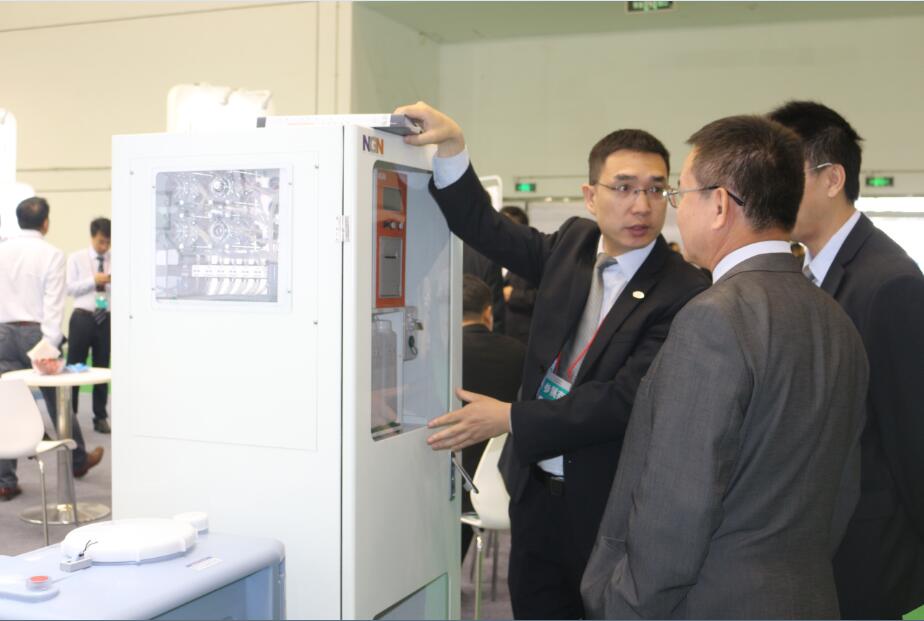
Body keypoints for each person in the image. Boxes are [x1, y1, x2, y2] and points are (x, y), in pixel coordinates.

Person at [396, 101, 709, 619]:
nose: (642, 205)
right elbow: (484, 226)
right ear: (591, 195)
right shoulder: (573, 245)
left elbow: (625, 399)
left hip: (608, 505)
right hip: (535, 493)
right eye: (624, 187)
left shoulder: (683, 290)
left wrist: (510, 418)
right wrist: (452, 147)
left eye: (656, 189)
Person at [581, 115, 869, 619]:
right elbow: (843, 488)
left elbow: (676, 507)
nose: (674, 209)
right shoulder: (835, 317)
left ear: (718, 205)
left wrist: (621, 605)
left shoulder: (714, 318)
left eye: (679, 194)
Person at [770, 100, 924, 619]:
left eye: (784, 177)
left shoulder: (889, 283)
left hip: (876, 557)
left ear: (832, 178)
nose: (772, 194)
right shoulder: (810, 271)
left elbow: (913, 441)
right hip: (824, 544)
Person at [0, 198, 104, 500]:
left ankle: (5, 481)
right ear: (45, 222)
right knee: (58, 397)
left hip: (2, 333)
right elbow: (54, 304)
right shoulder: (52, 254)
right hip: (36, 333)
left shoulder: (2, 249)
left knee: (5, 404)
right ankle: (77, 460)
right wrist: (50, 345)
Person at [459, 274, 526, 558]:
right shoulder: (519, 352)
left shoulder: (444, 356)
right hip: (506, 482)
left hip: (452, 482)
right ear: (488, 312)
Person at [66, 217, 112, 434]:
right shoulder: (76, 258)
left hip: (106, 319)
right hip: (82, 318)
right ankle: (70, 415)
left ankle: (100, 416)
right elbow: (69, 289)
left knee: (102, 367)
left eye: (108, 242)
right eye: (101, 241)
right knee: (75, 367)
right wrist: (93, 281)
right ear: (93, 237)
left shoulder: (116, 259)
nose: (105, 246)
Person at [498, 206, 538, 345]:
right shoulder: (487, 259)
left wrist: (514, 295)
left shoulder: (534, 260)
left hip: (522, 339)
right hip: (496, 336)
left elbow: (547, 296)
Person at [463, 245, 506, 335]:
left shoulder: (440, 253)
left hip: (444, 337)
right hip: (481, 333)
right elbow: (496, 313)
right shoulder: (487, 256)